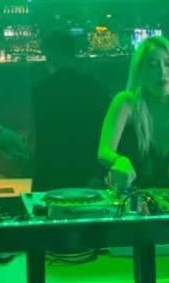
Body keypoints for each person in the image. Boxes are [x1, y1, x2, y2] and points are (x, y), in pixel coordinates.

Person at [98, 36, 169, 192]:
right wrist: (118, 160)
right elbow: (104, 152)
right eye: (152, 66)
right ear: (140, 71)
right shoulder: (125, 102)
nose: (162, 72)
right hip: (128, 197)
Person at [32, 31, 110, 191]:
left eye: (47, 54)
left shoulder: (43, 89)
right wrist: (98, 172)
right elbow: (102, 130)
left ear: (54, 53)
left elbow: (42, 135)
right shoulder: (92, 87)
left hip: (52, 169)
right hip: (86, 168)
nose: (46, 60)